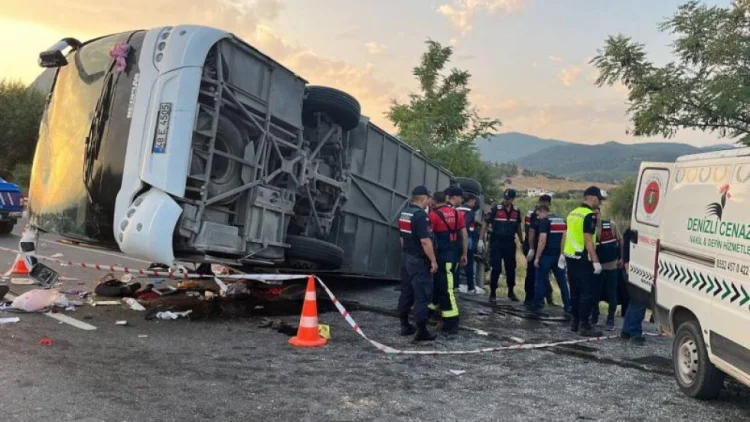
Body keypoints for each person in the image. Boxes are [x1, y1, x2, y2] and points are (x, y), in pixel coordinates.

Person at [396, 185, 438, 341]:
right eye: (428, 198)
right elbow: (425, 241)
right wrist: (433, 261)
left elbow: (401, 237)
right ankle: (421, 330)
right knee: (423, 294)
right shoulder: (420, 216)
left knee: (406, 292)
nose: (429, 201)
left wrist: (407, 252)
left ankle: (404, 324)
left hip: (407, 257)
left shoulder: (404, 213)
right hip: (419, 260)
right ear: (422, 198)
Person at [562, 186, 605, 337]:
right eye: (599, 200)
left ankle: (575, 322)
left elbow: (566, 234)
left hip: (570, 258)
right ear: (592, 197)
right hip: (583, 259)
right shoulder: (589, 215)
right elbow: (588, 239)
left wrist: (562, 254)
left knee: (574, 292)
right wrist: (595, 261)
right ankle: (584, 325)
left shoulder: (572, 213)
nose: (599, 204)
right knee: (587, 293)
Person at [428, 191, 467, 336]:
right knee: (440, 286)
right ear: (446, 199)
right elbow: (464, 235)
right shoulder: (458, 214)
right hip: (454, 255)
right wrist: (464, 254)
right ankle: (428, 312)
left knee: (447, 289)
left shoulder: (432, 216)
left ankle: (452, 323)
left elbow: (428, 238)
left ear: (433, 201)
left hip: (441, 257)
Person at [479, 188, 523, 302]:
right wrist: (480, 239)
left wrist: (522, 241)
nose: (506, 201)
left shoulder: (516, 211)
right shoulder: (496, 209)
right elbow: (485, 222)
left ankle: (511, 292)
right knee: (496, 268)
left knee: (511, 268)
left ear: (513, 199)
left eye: (508, 199)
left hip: (509, 243)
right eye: (505, 198)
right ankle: (493, 293)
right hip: (496, 242)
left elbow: (518, 227)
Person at [531, 204, 571, 313]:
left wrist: (537, 257)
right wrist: (563, 254)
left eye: (538, 214)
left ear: (542, 211)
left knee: (540, 281)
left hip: (546, 256)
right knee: (562, 282)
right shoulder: (562, 220)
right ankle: (568, 306)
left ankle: (537, 306)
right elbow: (565, 237)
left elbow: (542, 240)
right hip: (559, 256)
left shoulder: (545, 221)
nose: (538, 217)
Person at [589, 207, 622, 331]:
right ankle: (594, 315)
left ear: (600, 213)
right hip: (596, 266)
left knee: (612, 294)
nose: (595, 216)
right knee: (594, 293)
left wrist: (621, 258)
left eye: (596, 213)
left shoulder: (611, 225)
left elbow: (620, 240)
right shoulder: (588, 228)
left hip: (611, 266)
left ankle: (610, 318)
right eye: (592, 214)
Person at [523, 195, 554, 306]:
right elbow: (528, 231)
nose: (544, 205)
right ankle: (529, 298)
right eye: (543, 202)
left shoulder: (549, 215)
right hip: (531, 246)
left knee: (543, 274)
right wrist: (531, 249)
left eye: (546, 203)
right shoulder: (531, 214)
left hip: (543, 248)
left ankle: (543, 298)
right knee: (531, 273)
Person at [620, 228, 646, 345]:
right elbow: (627, 251)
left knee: (635, 301)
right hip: (633, 270)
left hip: (632, 269)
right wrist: (627, 267)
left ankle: (626, 331)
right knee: (640, 301)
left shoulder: (630, 231)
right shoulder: (633, 232)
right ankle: (635, 333)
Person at [456, 193, 485, 295]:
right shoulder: (471, 212)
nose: (474, 203)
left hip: (456, 239)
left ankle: (455, 286)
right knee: (469, 262)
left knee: (456, 263)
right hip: (467, 239)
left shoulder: (457, 209)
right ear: (471, 200)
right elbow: (466, 223)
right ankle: (471, 287)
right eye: (474, 201)